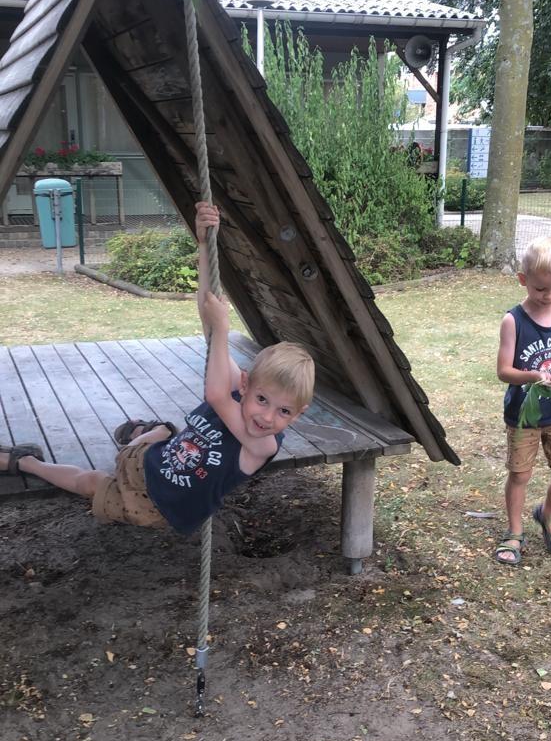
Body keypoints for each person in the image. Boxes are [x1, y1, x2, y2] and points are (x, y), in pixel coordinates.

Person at [0, 202, 315, 534]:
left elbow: (215, 392)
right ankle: (155, 432)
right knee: (135, 452)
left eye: (284, 412)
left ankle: (26, 463)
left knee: (90, 482)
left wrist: (223, 330)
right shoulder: (241, 386)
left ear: (298, 415)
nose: (267, 418)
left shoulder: (262, 444)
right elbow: (209, 324)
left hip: (155, 508)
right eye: (263, 400)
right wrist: (205, 246)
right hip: (150, 460)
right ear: (246, 384)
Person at [495, 235, 551, 564]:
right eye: (541, 289)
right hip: (524, 416)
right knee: (520, 475)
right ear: (523, 280)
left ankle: (547, 511)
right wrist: (533, 376)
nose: (549, 296)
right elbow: (503, 371)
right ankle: (514, 533)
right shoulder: (513, 321)